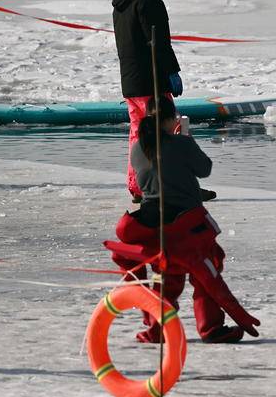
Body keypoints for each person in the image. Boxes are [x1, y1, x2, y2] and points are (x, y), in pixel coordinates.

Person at [104, 96, 260, 344]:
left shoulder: (137, 148)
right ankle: (211, 328)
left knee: (166, 277)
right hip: (187, 223)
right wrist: (186, 139)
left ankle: (157, 328)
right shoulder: (180, 143)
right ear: (170, 119)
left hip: (152, 224)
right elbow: (204, 169)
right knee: (206, 272)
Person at [111, 0, 185, 202]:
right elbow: (159, 44)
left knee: (139, 133)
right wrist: (171, 72)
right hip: (151, 80)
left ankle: (139, 187)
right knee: (162, 132)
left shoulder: (121, 2)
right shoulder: (148, 2)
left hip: (131, 82)